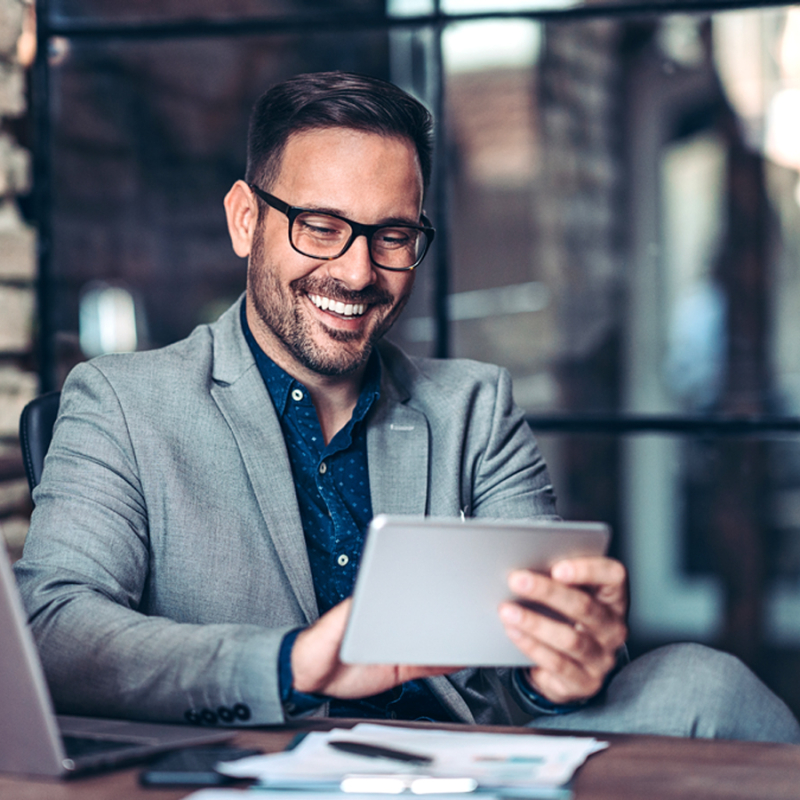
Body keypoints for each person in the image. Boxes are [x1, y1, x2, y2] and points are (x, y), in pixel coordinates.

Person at [14, 71, 800, 741]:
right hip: (257, 752)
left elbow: (530, 669)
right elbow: (52, 630)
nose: (358, 272)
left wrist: (563, 665)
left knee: (706, 685)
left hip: (459, 756)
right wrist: (288, 663)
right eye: (322, 227)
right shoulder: (120, 401)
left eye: (392, 236)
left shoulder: (473, 407)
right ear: (245, 220)